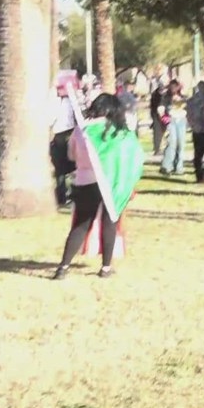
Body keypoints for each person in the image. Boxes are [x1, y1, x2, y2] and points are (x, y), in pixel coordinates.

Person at [53, 94, 145, 279]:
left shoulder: (82, 131)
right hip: (113, 183)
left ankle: (63, 267)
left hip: (85, 182)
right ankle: (105, 268)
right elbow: (133, 157)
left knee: (81, 225)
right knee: (110, 222)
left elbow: (71, 156)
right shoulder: (121, 133)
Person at [186, 81, 204, 183]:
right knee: (201, 153)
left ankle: (202, 174)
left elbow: (189, 115)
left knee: (201, 153)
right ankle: (201, 175)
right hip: (202, 129)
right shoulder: (196, 101)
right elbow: (190, 115)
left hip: (202, 129)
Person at [160, 85, 188, 176]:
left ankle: (179, 167)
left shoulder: (183, 98)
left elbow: (187, 108)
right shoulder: (166, 98)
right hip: (171, 121)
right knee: (171, 143)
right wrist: (164, 118)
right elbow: (160, 109)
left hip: (181, 121)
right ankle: (167, 166)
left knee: (181, 144)